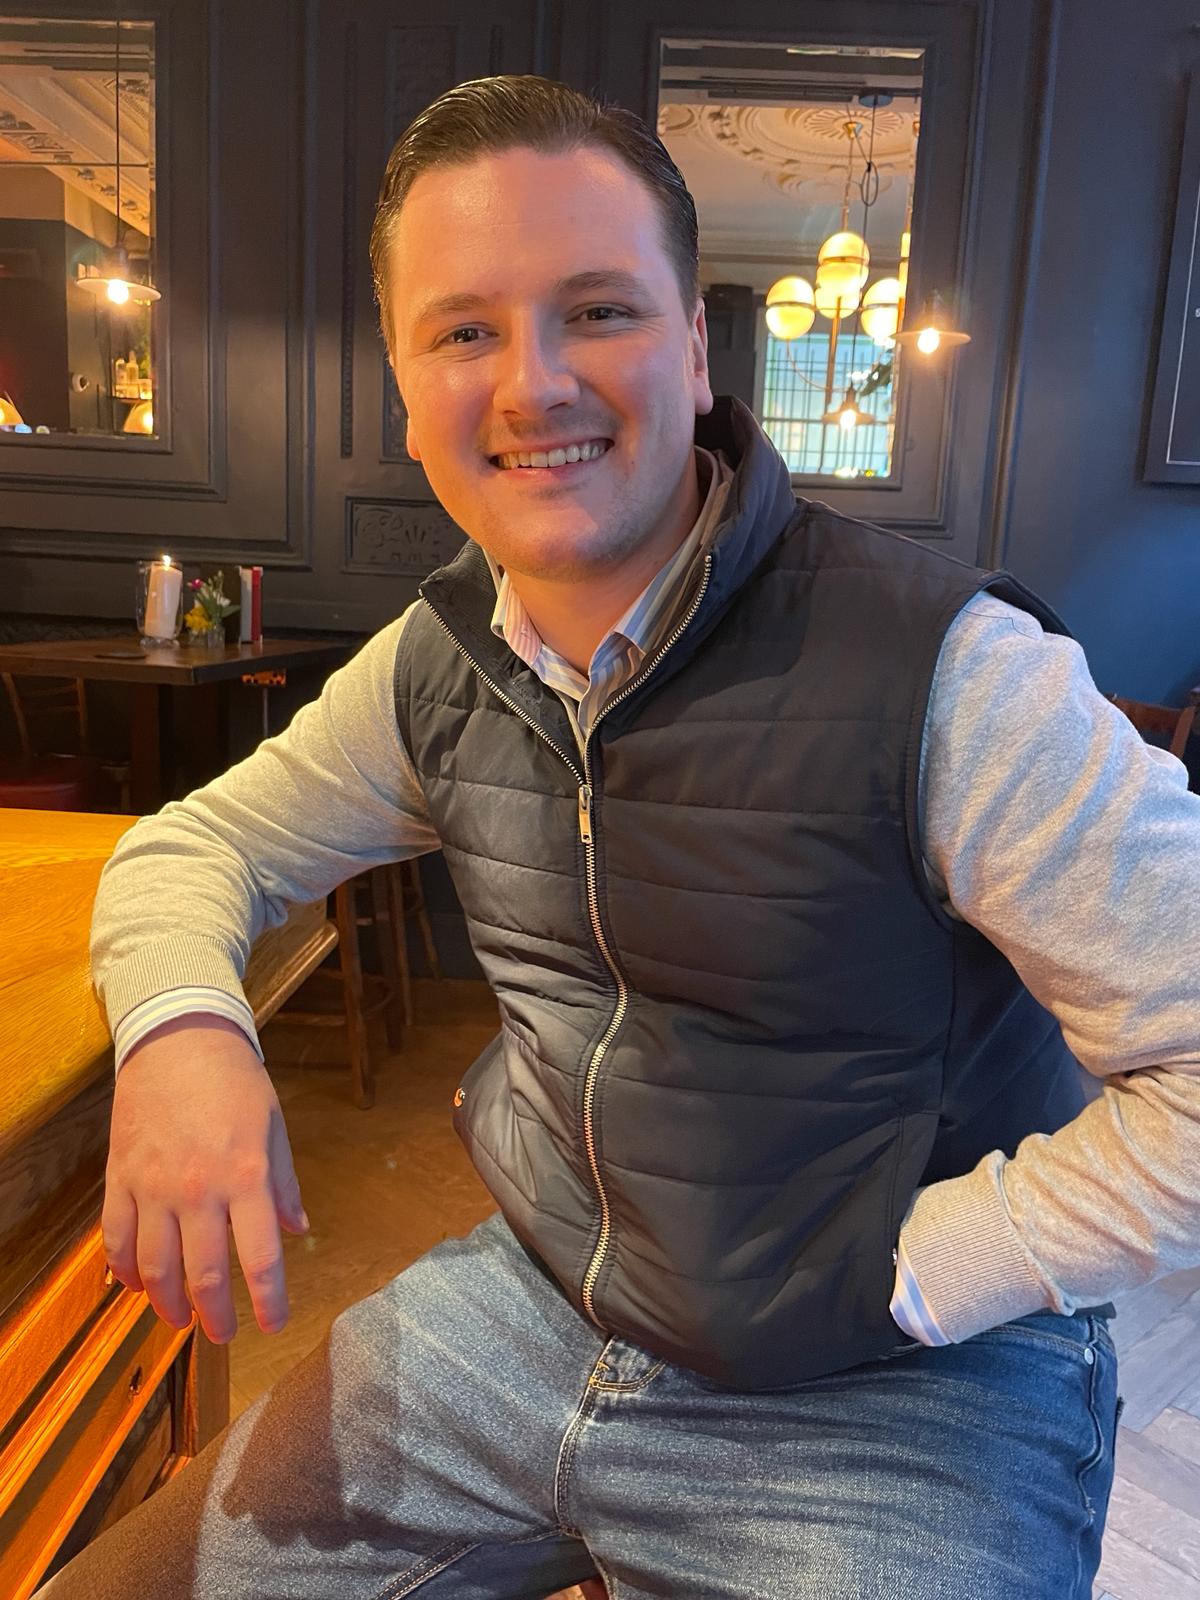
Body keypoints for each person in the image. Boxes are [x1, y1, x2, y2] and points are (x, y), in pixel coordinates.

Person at [41, 73, 1200, 1599]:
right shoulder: (439, 663)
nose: (534, 384)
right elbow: (194, 851)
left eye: (597, 311)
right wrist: (188, 1033)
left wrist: (910, 1281)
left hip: (901, 1399)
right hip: (533, 1315)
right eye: (465, 330)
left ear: (697, 345)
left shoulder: (956, 675)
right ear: (402, 382)